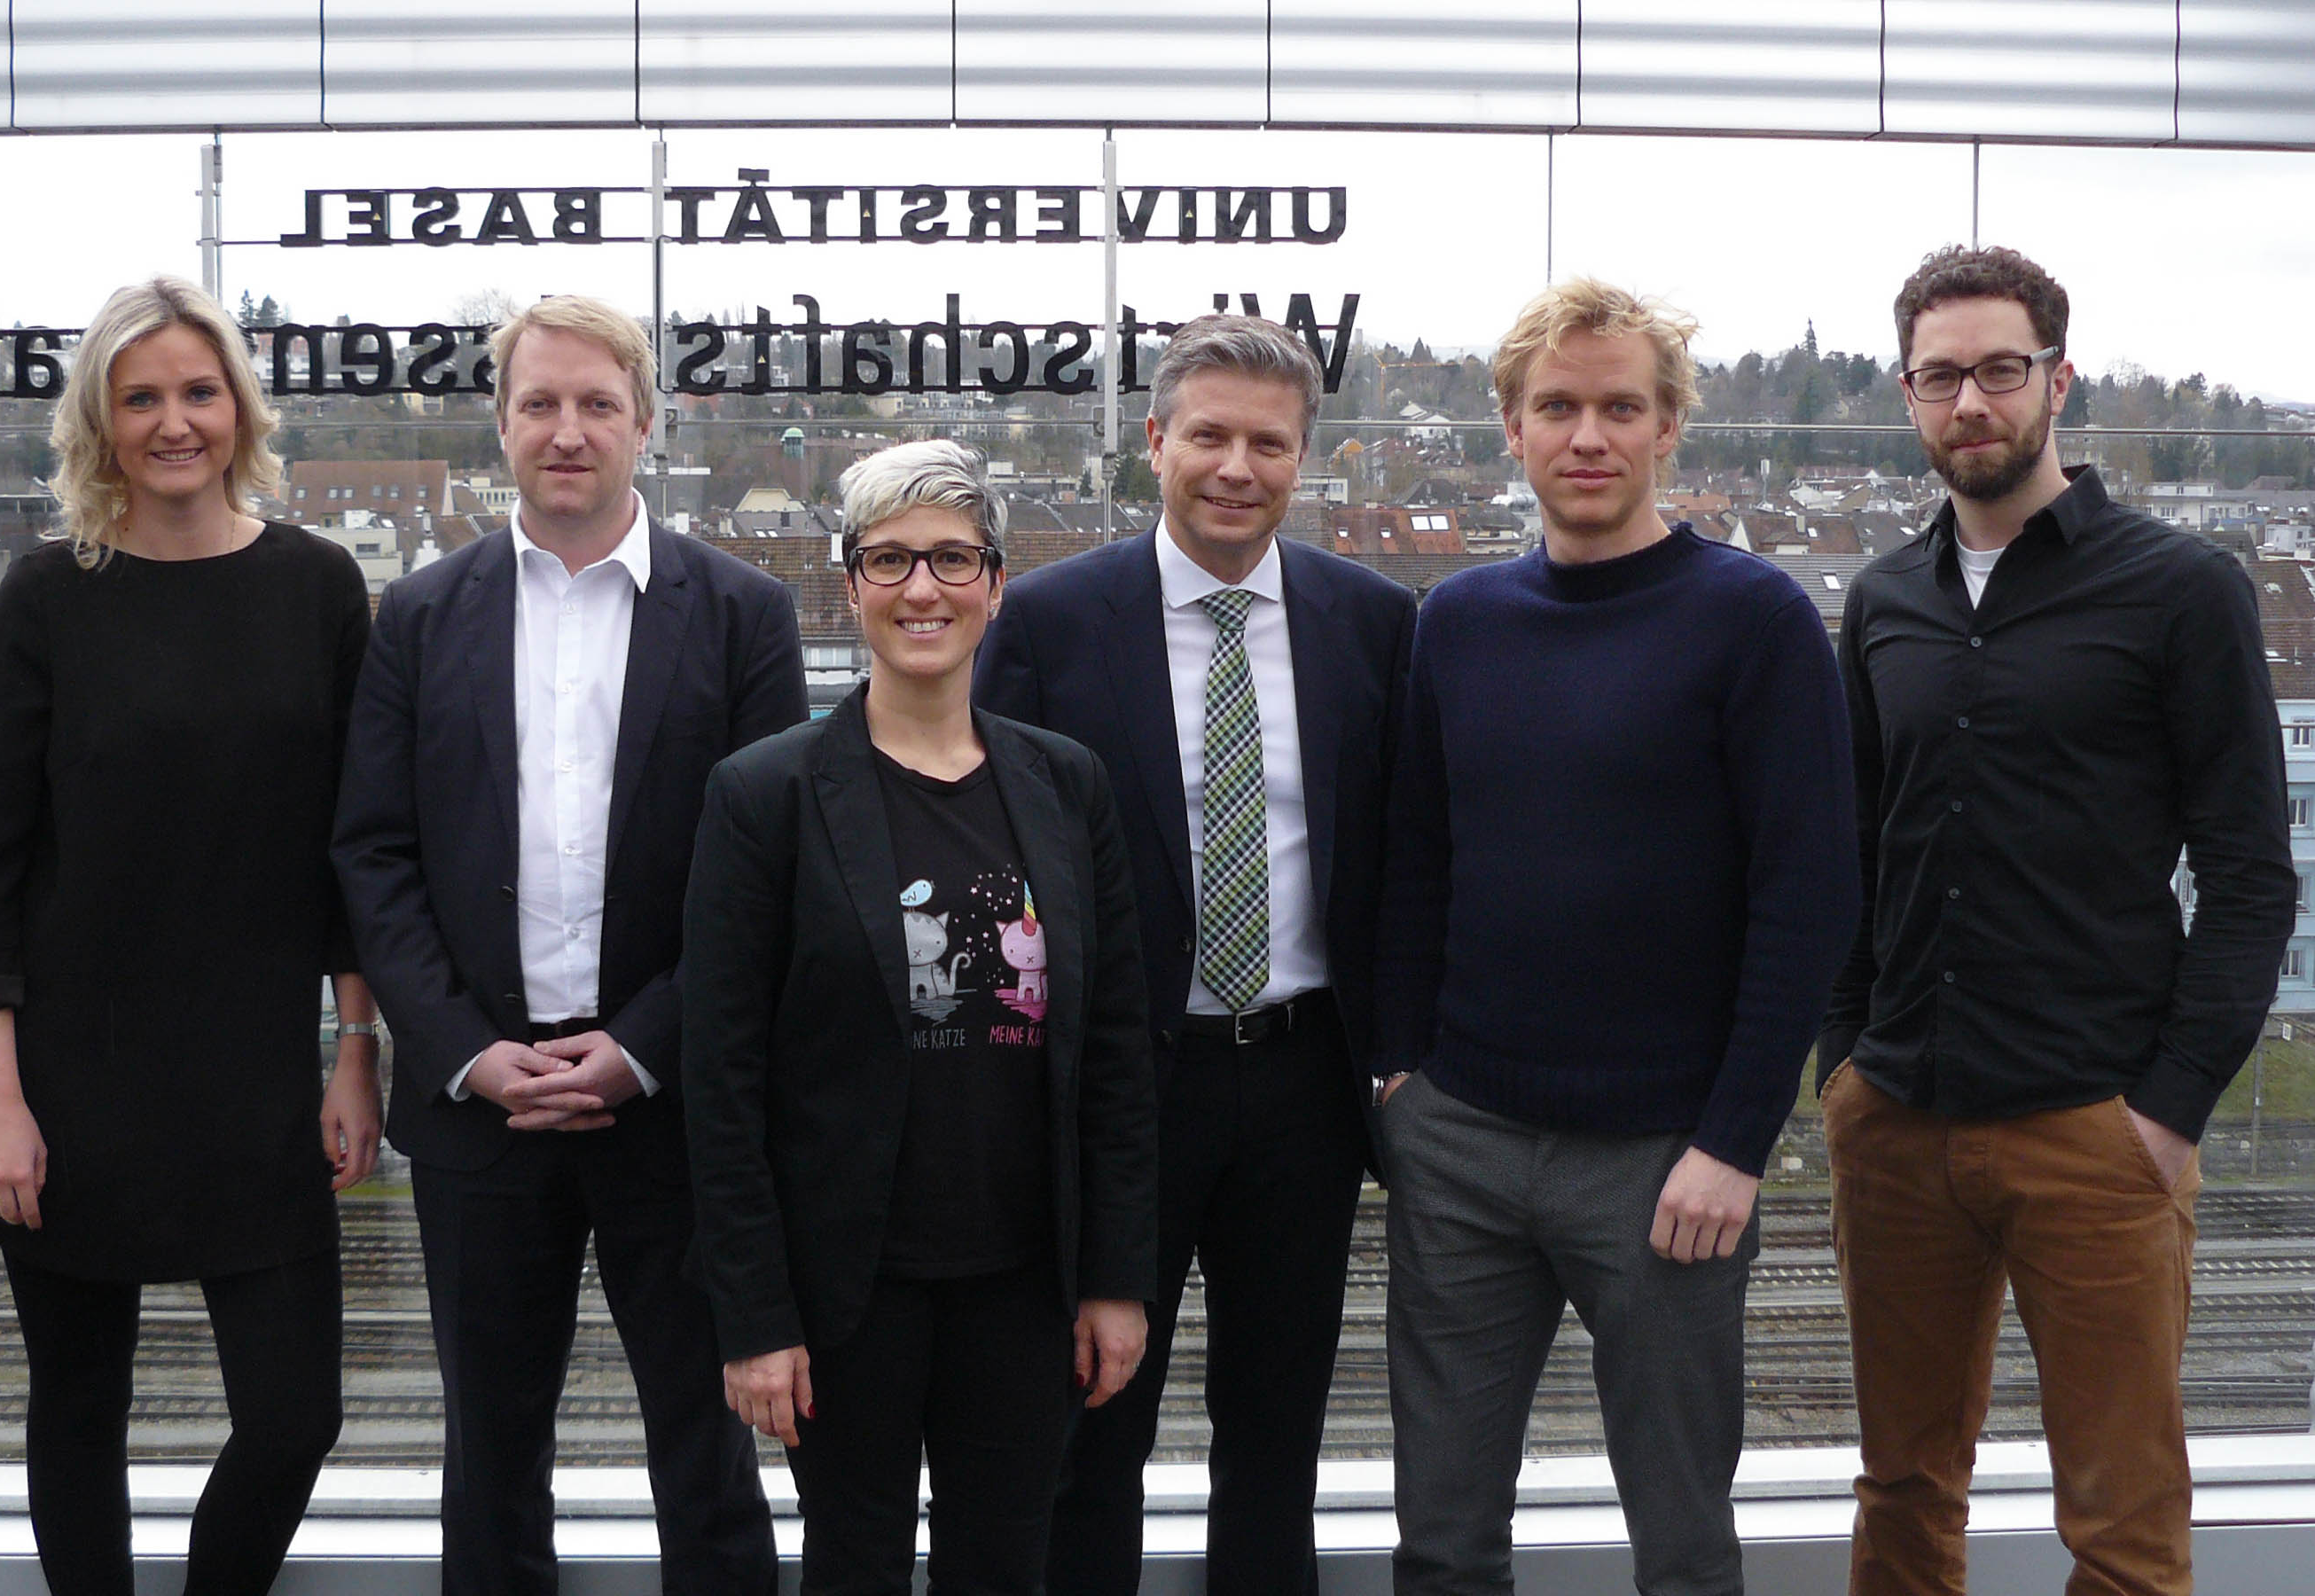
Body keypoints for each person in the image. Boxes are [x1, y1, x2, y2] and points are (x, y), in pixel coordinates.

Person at [1370, 278, 1861, 1596]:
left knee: (1682, 1544)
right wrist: (1401, 1076)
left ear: (1668, 429)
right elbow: (1416, 861)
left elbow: (1808, 896)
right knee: (1442, 1540)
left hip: (1665, 1164)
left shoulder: (1753, 618)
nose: (1587, 436)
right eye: (1556, 408)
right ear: (1512, 430)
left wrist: (1733, 1142)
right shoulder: (1457, 621)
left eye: (1620, 409)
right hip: (1462, 1141)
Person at [1824, 245, 2294, 1596]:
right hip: (1897, 1118)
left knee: (2123, 1528)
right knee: (1901, 1494)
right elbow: (1857, 850)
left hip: (2094, 1122)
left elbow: (2250, 874)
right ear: (1906, 394)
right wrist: (1843, 1064)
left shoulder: (2181, 589)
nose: (1969, 401)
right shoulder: (1882, 601)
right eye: (1939, 377)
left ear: (2057, 380)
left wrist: (2168, 1109)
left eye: (1998, 369)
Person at [332, 293, 799, 1595]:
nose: (568, 430)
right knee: (489, 1453)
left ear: (646, 424)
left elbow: (769, 877)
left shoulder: (743, 613)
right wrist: (464, 1052)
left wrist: (642, 1047)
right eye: (539, 403)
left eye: (598, 403)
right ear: (501, 425)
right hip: (479, 1108)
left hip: (678, 1106)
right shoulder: (419, 616)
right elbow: (373, 854)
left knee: (707, 1445)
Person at [0, 275, 382, 1595]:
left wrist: (356, 1050)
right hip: (71, 1081)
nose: (174, 422)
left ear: (239, 407)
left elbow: (354, 848)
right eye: (140, 398)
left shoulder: (318, 586)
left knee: (295, 1416)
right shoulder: (46, 596)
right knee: (79, 1412)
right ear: (100, 420)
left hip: (257, 1076)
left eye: (198, 391)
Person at [976, 313, 1416, 1595]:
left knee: (1276, 1434)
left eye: (1267, 444)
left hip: (1302, 1083)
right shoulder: (1051, 621)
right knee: (1089, 1425)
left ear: (1303, 458)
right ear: (1157, 442)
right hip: (1119, 1086)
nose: (1236, 467)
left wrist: (1399, 1052)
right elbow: (994, 858)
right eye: (1209, 436)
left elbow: (1404, 852)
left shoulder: (1373, 622)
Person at [682, 439, 1158, 1594]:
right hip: (846, 1298)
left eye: (952, 558)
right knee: (854, 1567)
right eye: (888, 560)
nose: (921, 589)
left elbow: (1112, 1054)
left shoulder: (1066, 785)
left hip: (1024, 1287)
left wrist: (1114, 1279)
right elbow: (721, 1081)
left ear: (995, 583)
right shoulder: (766, 795)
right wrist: (754, 1319)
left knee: (1005, 1567)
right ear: (851, 585)